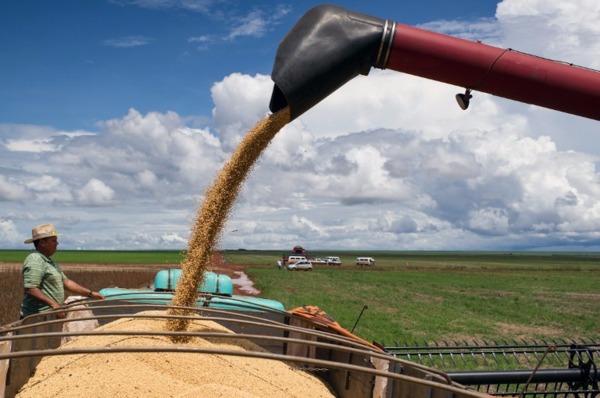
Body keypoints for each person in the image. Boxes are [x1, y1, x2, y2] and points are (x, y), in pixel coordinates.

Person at [20, 223, 104, 320]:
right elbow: (31, 289)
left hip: (51, 315)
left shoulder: (51, 261)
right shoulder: (35, 259)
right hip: (36, 318)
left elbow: (66, 282)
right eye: (53, 240)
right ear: (42, 242)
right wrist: (54, 304)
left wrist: (90, 293)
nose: (57, 243)